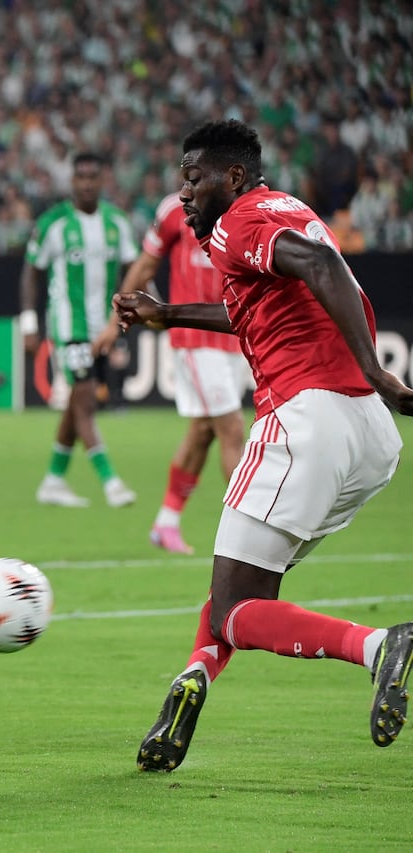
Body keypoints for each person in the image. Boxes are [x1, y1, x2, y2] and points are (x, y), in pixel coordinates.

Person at [113, 119, 413, 772]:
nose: (184, 194)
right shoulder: (288, 210)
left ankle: (377, 643)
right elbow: (259, 303)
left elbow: (321, 265)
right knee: (242, 580)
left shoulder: (238, 220)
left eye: (194, 179)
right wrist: (168, 312)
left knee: (237, 607)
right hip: (367, 441)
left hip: (306, 418)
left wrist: (374, 367)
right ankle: (193, 675)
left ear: (235, 177)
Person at [94, 191, 248, 554]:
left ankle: (166, 523)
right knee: (232, 428)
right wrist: (114, 323)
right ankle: (247, 535)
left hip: (231, 334)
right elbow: (144, 268)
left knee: (202, 432)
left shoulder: (242, 207)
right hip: (195, 337)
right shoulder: (174, 209)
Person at [20, 152, 138, 509]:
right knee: (85, 397)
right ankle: (110, 481)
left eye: (93, 176)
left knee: (78, 404)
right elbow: (31, 272)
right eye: (80, 177)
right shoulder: (54, 223)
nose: (86, 183)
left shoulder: (117, 222)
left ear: (102, 180)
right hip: (67, 325)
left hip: (103, 328)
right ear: (72, 181)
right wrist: (29, 322)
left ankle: (53, 480)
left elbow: (135, 269)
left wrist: (150, 309)